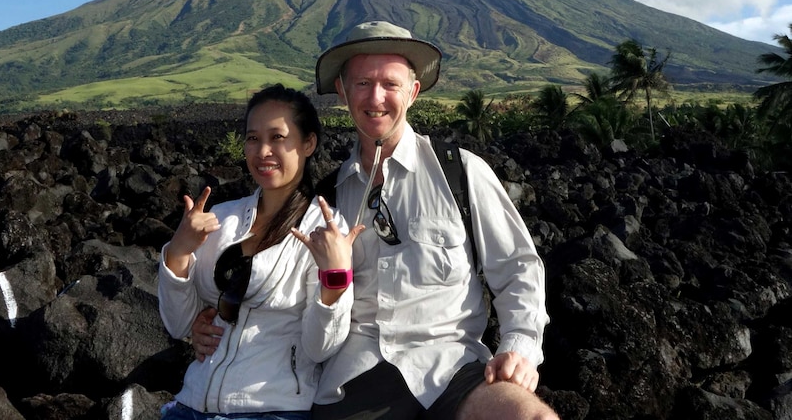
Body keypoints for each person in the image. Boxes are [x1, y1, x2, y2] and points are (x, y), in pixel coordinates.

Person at [192, 22, 558, 419]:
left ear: (413, 92)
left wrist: (520, 345)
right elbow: (280, 293)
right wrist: (214, 322)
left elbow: (517, 265)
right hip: (353, 381)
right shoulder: (327, 200)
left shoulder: (460, 174)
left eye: (391, 84)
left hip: (452, 368)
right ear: (343, 92)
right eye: (363, 83)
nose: (376, 97)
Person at [158, 83, 364, 420]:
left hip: (272, 409)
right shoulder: (220, 219)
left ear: (308, 143)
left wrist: (335, 281)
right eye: (253, 138)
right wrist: (178, 252)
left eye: (278, 137)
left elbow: (319, 348)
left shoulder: (326, 232)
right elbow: (179, 324)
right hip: (191, 403)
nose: (263, 151)